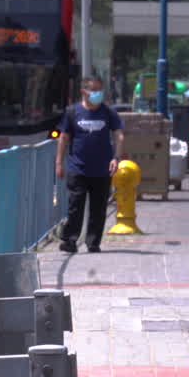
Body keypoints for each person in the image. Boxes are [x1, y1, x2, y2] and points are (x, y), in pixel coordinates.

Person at [55, 76, 125, 254]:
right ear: (83, 92)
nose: (97, 94)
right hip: (78, 168)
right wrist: (59, 164)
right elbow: (63, 138)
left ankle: (93, 243)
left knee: (98, 208)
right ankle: (70, 240)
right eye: (93, 90)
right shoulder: (72, 112)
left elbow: (119, 136)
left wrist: (115, 158)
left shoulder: (109, 113)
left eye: (99, 90)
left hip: (102, 169)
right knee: (75, 205)